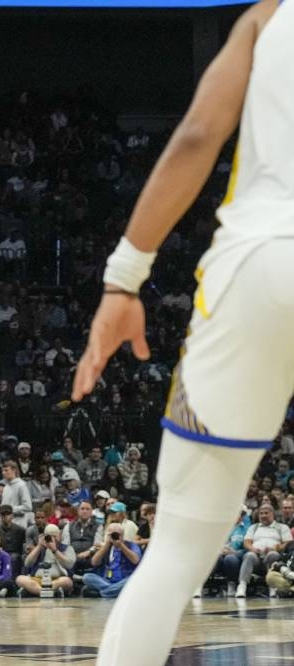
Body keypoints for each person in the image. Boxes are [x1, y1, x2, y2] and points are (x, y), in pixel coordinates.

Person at [73, 2, 294, 662]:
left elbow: (198, 134)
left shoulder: (269, 16)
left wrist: (124, 279)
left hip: (258, 267)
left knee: (175, 554)